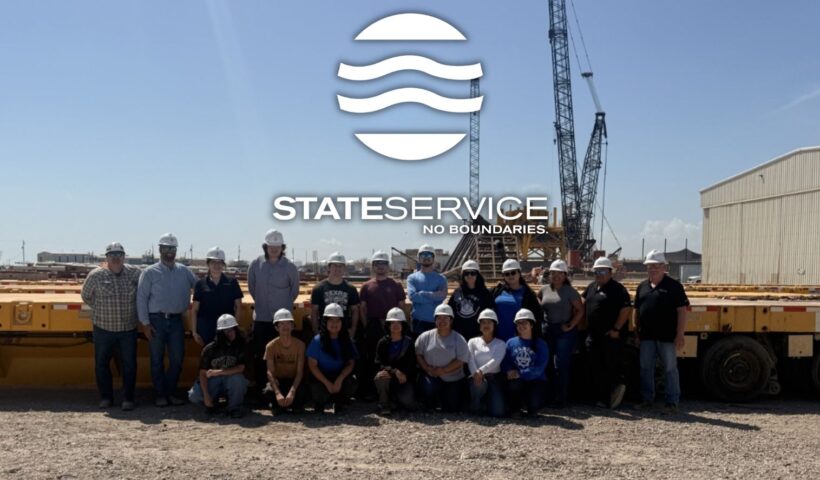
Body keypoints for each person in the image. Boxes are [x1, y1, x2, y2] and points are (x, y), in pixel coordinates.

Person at [137, 233, 198, 407]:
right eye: (166, 248)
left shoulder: (184, 271)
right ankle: (160, 395)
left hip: (177, 321)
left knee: (177, 359)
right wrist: (145, 324)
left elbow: (200, 288)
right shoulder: (149, 272)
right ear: (160, 249)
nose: (169, 251)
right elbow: (141, 298)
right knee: (156, 360)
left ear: (176, 250)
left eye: (172, 248)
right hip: (156, 321)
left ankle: (170, 392)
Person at [81, 242, 142, 411]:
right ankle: (106, 397)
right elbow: (86, 296)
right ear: (106, 257)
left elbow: (145, 291)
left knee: (129, 365)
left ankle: (128, 398)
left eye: (119, 254)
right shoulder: (95, 275)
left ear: (124, 257)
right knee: (101, 364)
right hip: (103, 329)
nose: (116, 258)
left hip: (128, 329)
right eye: (112, 255)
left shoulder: (135, 273)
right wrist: (101, 309)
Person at [634, 250, 690, 413]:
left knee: (670, 369)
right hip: (646, 337)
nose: (653, 269)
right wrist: (636, 333)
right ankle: (647, 400)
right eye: (650, 266)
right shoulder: (642, 287)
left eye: (656, 266)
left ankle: (672, 402)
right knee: (646, 368)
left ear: (664, 267)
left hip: (667, 337)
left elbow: (682, 311)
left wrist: (680, 334)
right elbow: (636, 311)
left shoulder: (674, 287)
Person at [247, 229, 300, 399]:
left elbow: (294, 292)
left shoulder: (290, 267)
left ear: (282, 247)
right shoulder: (255, 265)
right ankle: (262, 390)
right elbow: (252, 288)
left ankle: (280, 390)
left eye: (278, 246)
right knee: (260, 356)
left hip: (282, 322)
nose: (274, 249)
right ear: (265, 247)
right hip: (262, 318)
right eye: (271, 246)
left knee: (281, 356)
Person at [582, 256, 632, 409]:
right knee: (594, 367)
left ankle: (609, 399)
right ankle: (598, 398)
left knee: (609, 367)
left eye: (603, 271)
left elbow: (626, 309)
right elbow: (583, 301)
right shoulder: (592, 287)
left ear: (610, 272)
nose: (599, 274)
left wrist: (616, 329)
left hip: (609, 336)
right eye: (597, 271)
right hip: (593, 336)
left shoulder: (618, 289)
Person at [359, 250, 407, 401]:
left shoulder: (396, 285)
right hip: (373, 326)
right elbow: (363, 309)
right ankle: (372, 391)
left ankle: (391, 390)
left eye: (384, 263)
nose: (381, 266)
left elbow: (402, 306)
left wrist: (404, 326)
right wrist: (366, 326)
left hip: (392, 326)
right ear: (373, 266)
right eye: (377, 263)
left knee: (391, 358)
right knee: (373, 359)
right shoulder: (366, 286)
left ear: (388, 266)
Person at [538, 259, 584, 407]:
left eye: (560, 273)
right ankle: (548, 396)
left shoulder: (570, 292)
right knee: (547, 364)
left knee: (561, 365)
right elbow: (539, 302)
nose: (556, 276)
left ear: (565, 275)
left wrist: (570, 325)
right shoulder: (544, 290)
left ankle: (561, 398)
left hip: (564, 332)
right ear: (550, 274)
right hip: (548, 331)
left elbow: (580, 310)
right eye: (553, 273)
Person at [188, 314, 248, 418]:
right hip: (214, 382)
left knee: (238, 380)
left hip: (230, 379)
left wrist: (219, 372)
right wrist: (206, 395)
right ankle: (212, 405)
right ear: (220, 332)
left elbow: (241, 368)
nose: (230, 333)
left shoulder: (240, 345)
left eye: (232, 329)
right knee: (194, 396)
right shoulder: (209, 349)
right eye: (226, 331)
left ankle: (234, 408)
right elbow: (202, 373)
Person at [415, 304, 470, 412]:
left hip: (452, 378)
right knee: (427, 389)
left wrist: (443, 370)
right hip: (431, 375)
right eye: (439, 318)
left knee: (452, 407)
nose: (442, 321)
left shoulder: (459, 339)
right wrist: (427, 368)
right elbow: (418, 354)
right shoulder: (425, 336)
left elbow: (461, 360)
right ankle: (431, 402)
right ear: (435, 320)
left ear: (451, 320)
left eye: (446, 318)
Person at [306, 303, 358, 414]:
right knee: (318, 391)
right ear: (325, 322)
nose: (334, 324)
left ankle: (340, 402)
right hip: (322, 377)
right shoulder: (317, 340)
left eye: (338, 320)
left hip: (339, 375)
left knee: (351, 382)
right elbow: (312, 366)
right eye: (331, 320)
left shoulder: (347, 340)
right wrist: (327, 383)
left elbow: (351, 363)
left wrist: (340, 379)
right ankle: (320, 403)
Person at [192, 247, 243, 347]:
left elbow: (238, 307)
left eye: (219, 262)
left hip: (227, 328)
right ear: (208, 264)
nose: (217, 265)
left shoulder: (232, 283)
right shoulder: (200, 284)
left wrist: (235, 328)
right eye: (213, 262)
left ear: (223, 264)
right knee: (208, 355)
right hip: (206, 329)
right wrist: (194, 332)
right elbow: (195, 310)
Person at [503, 308, 549, 418]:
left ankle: (531, 406)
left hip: (536, 381)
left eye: (524, 323)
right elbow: (505, 361)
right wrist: (508, 371)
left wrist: (520, 373)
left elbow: (539, 368)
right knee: (513, 385)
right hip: (517, 381)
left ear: (531, 325)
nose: (521, 325)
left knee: (534, 404)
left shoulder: (541, 344)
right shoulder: (510, 342)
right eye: (518, 323)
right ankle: (515, 409)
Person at [373, 307, 417, 415]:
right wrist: (394, 371)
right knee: (380, 377)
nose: (395, 325)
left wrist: (404, 374)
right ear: (388, 325)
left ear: (403, 325)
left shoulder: (409, 342)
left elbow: (412, 363)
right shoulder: (382, 342)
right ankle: (384, 404)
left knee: (408, 403)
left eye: (399, 323)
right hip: (388, 376)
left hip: (404, 378)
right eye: (392, 323)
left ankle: (395, 401)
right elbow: (379, 362)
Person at [263, 309, 307, 415]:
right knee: (268, 391)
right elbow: (270, 372)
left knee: (303, 390)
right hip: (279, 380)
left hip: (294, 380)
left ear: (292, 326)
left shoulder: (300, 345)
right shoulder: (270, 346)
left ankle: (295, 405)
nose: (285, 326)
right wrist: (277, 393)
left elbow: (300, 372)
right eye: (281, 324)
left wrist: (292, 391)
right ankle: (278, 404)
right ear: (276, 328)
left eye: (288, 323)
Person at [467, 309, 507, 417]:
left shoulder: (501, 344)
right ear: (479, 326)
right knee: (479, 385)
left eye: (489, 322)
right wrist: (476, 373)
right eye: (483, 322)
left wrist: (481, 371)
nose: (486, 325)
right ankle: (475, 405)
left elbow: (495, 361)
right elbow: (470, 359)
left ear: (494, 325)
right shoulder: (472, 341)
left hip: (493, 378)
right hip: (475, 377)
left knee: (498, 412)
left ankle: (486, 403)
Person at [491, 259, 544, 341]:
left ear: (519, 273)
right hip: (497, 340)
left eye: (513, 272)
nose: (510, 276)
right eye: (507, 274)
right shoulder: (497, 291)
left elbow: (537, 317)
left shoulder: (528, 294)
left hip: (518, 340)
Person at [310, 252, 360, 336]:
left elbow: (355, 311)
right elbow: (314, 312)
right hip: (324, 332)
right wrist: (316, 331)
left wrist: (353, 330)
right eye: (335, 265)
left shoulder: (351, 289)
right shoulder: (318, 288)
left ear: (344, 268)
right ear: (329, 267)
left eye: (340, 266)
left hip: (344, 332)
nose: (338, 268)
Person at [448, 260, 495, 341]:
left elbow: (490, 314)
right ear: (463, 275)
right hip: (459, 335)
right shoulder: (458, 292)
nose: (469, 276)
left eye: (472, 273)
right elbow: (450, 311)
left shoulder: (485, 293)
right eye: (466, 273)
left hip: (477, 336)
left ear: (477, 275)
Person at [406, 244, 448, 335]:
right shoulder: (412, 278)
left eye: (429, 255)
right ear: (418, 258)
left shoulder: (441, 279)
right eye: (423, 255)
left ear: (434, 258)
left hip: (436, 322)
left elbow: (442, 295)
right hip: (418, 322)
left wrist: (421, 293)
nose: (426, 257)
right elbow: (412, 296)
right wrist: (434, 295)